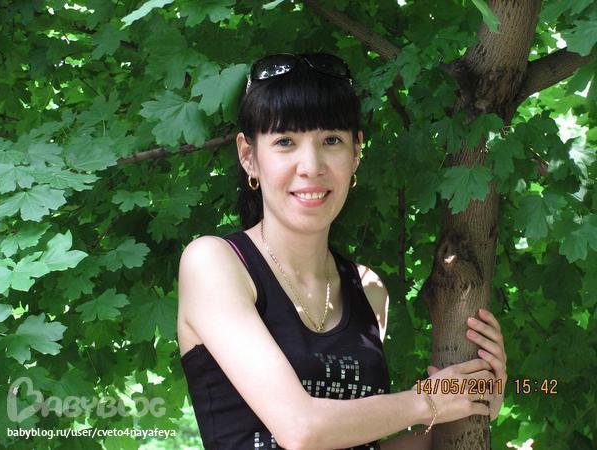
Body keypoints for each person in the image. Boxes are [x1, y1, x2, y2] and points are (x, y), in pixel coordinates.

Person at [177, 53, 507, 449]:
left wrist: (471, 402)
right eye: (285, 142)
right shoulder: (216, 263)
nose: (311, 166)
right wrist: (427, 401)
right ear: (249, 156)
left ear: (356, 152)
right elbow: (301, 428)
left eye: (331, 140)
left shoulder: (368, 289)